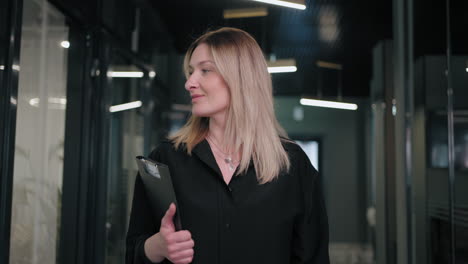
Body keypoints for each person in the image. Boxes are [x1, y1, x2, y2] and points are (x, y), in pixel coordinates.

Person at [126, 27, 329, 264]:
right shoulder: (165, 159)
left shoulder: (293, 166)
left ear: (240, 77)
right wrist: (156, 247)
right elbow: (133, 252)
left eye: (205, 70)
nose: (189, 83)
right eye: (191, 72)